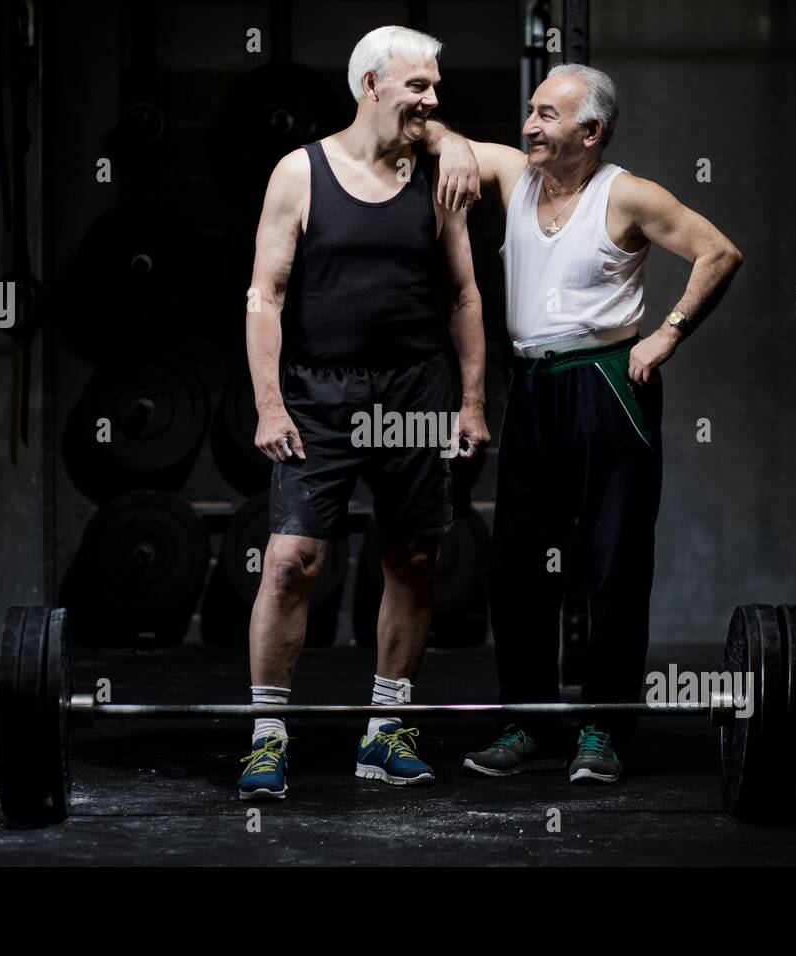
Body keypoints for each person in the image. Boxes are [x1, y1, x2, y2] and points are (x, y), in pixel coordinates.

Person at [424, 63, 743, 783]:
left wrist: (667, 334)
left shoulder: (625, 194)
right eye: (531, 111)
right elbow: (440, 132)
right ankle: (526, 724)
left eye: (547, 115)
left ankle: (601, 730)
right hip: (533, 390)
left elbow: (718, 252)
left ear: (591, 131)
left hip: (607, 386)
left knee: (614, 567)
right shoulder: (514, 175)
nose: (530, 125)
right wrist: (447, 145)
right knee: (516, 570)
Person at [237, 25, 490, 800]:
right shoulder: (300, 171)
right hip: (320, 392)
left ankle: (387, 733)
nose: (432, 99)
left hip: (416, 390)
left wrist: (473, 401)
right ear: (371, 86)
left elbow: (463, 295)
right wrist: (270, 402)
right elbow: (265, 294)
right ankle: (268, 739)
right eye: (418, 86)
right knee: (290, 563)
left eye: (436, 86)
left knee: (412, 559)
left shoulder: (438, 175)